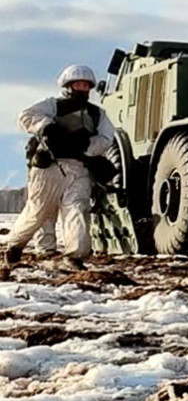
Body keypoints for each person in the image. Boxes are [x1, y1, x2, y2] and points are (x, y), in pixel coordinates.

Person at [2, 65, 115, 275]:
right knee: (38, 211)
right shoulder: (52, 105)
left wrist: (87, 147)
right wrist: (47, 127)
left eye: (85, 85)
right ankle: (15, 245)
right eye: (78, 84)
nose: (82, 88)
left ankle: (75, 256)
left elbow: (106, 138)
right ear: (68, 86)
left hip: (79, 167)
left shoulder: (97, 114)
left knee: (77, 209)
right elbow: (26, 116)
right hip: (49, 167)